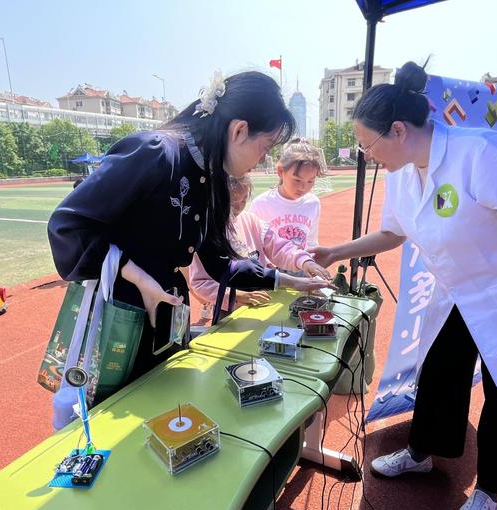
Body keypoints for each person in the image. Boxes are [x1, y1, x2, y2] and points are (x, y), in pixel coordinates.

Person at [310, 61, 497, 510]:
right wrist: (334, 251)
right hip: (459, 291)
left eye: (366, 144)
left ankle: (490, 493)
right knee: (438, 372)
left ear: (397, 130)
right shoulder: (401, 172)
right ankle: (422, 451)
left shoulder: (483, 152)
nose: (364, 154)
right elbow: (392, 234)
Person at [48, 71, 330, 399]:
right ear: (239, 130)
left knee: (165, 407)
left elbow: (222, 264)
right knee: (111, 417)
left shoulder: (208, 177)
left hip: (167, 317)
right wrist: (140, 278)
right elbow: (67, 227)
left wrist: (288, 280)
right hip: (117, 320)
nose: (264, 160)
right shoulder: (155, 152)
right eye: (265, 147)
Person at [189, 174, 330, 321]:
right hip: (230, 311)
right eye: (232, 202)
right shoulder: (205, 231)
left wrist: (304, 261)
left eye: (244, 199)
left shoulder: (251, 221)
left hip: (263, 301)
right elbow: (200, 282)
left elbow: (280, 247)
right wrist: (237, 295)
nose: (239, 207)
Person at [249, 137, 327, 251]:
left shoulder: (313, 203)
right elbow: (253, 244)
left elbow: (311, 242)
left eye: (310, 181)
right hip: (271, 268)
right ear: (281, 171)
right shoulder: (261, 204)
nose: (303, 187)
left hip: (301, 267)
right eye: (297, 180)